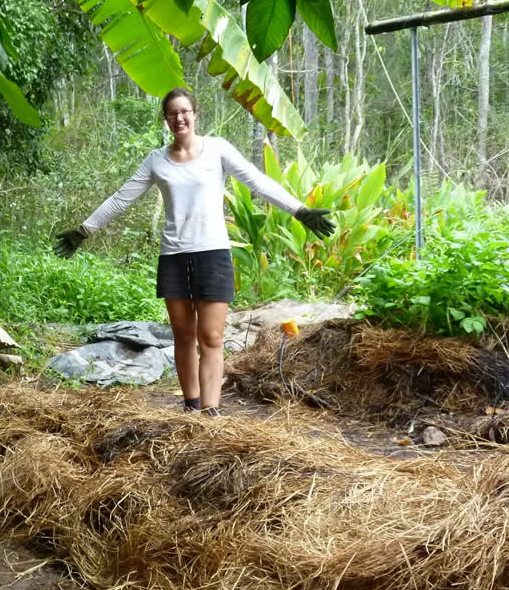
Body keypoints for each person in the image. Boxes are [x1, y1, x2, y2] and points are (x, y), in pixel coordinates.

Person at [54, 88, 334, 416]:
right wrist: (83, 230)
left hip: (212, 254)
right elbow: (121, 198)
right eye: (173, 113)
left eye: (185, 111)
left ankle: (210, 413)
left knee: (211, 336)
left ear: (195, 114)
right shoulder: (156, 160)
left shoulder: (217, 150)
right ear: (166, 120)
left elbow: (257, 182)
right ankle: (191, 406)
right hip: (174, 257)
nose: (179, 118)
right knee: (183, 336)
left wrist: (300, 211)